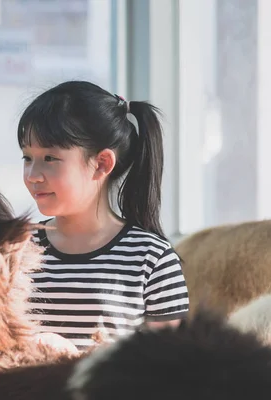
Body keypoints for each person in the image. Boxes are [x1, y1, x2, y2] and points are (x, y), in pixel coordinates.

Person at [18, 80, 189, 352]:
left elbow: (173, 370)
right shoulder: (16, 249)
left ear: (101, 164)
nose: (32, 175)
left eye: (49, 158)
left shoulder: (151, 258)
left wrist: (71, 359)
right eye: (27, 157)